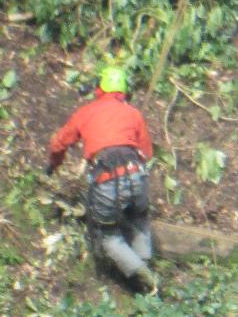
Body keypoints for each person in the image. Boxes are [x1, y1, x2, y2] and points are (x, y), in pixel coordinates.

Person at [47, 65, 157, 290]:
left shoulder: (86, 112)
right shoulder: (133, 113)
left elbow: (59, 143)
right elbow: (146, 152)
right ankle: (144, 265)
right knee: (140, 220)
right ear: (124, 91)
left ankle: (144, 276)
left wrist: (52, 166)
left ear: (99, 88)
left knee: (108, 236)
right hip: (136, 173)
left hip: (106, 179)